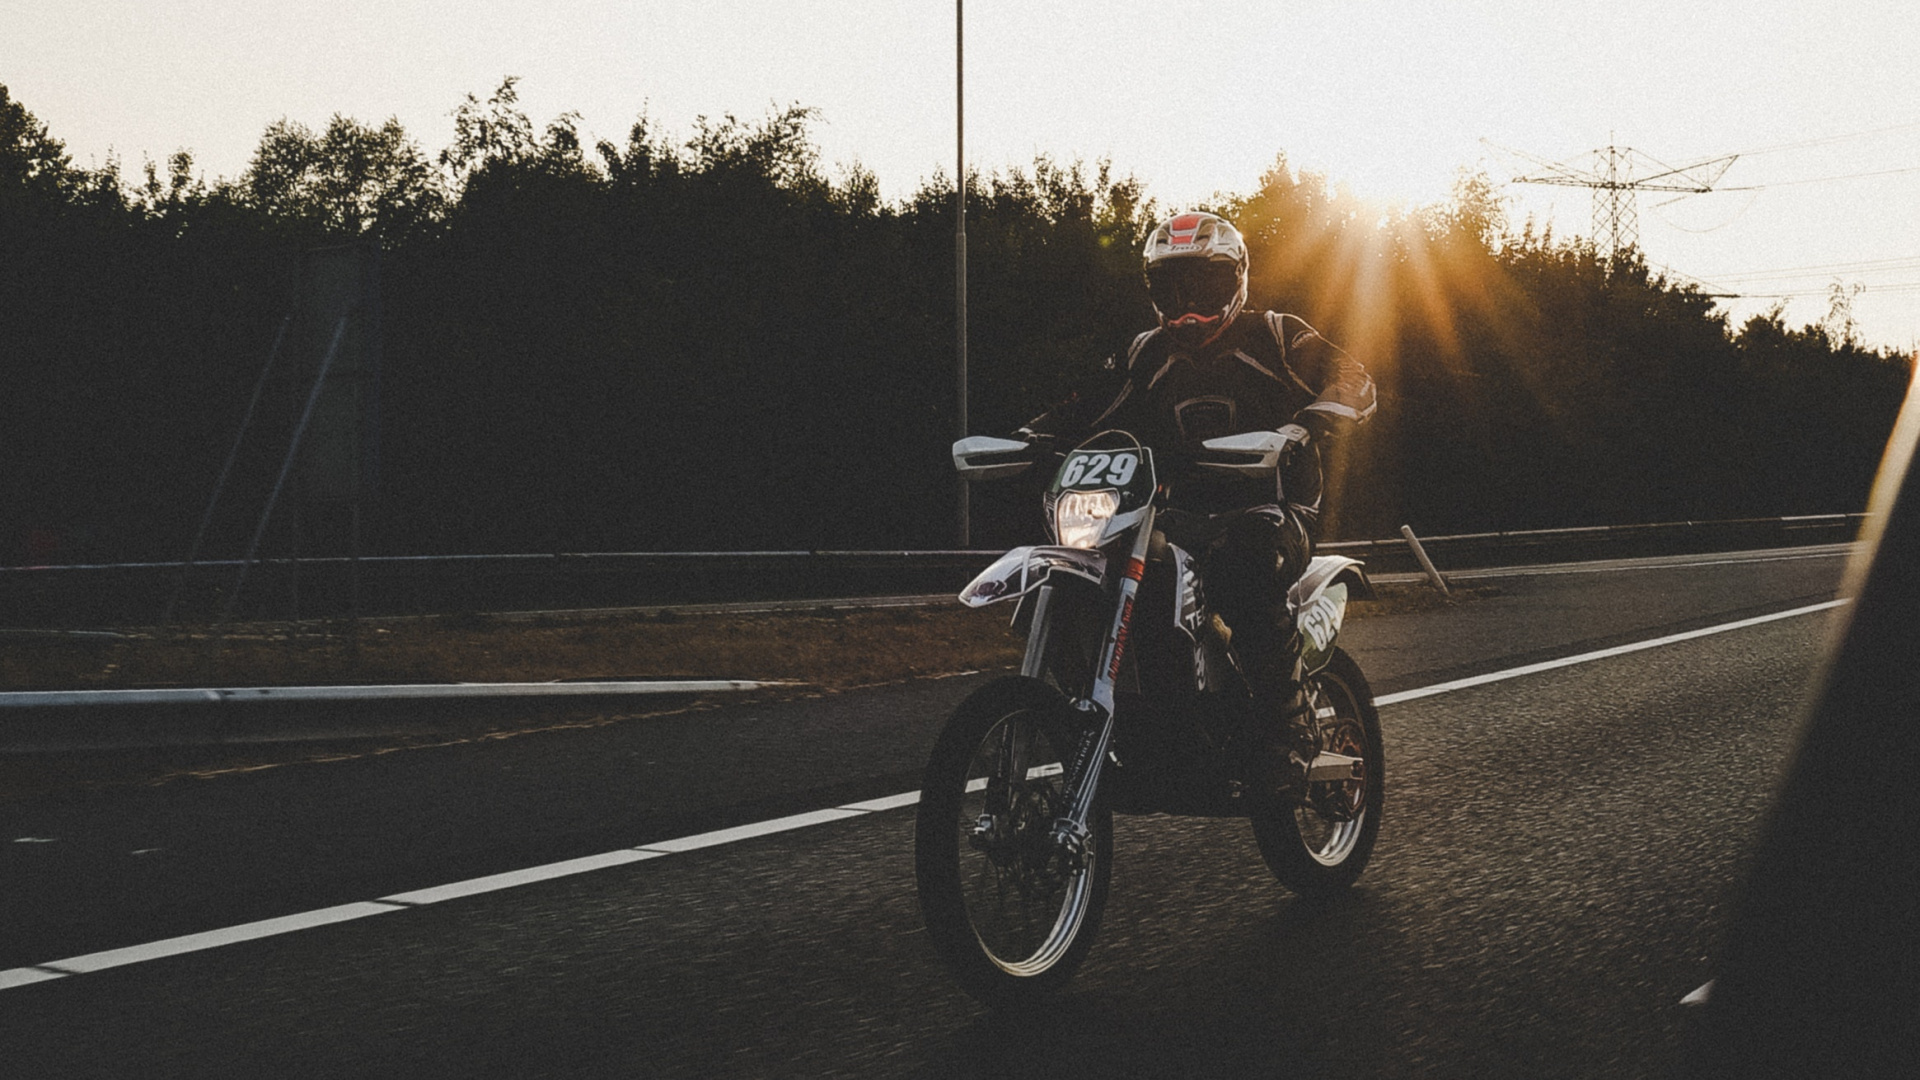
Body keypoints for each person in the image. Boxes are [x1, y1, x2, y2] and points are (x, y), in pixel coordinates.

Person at [1018, 210, 1377, 801]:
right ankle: (1139, 722)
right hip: (1176, 517)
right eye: (1170, 288)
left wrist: (1314, 419)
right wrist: (1036, 436)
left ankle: (1286, 732)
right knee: (1105, 571)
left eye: (1203, 288)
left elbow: (1352, 377)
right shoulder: (1146, 351)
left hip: (1274, 509)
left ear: (1235, 280)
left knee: (1246, 560)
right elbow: (1087, 403)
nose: (1186, 306)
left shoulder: (1276, 334)